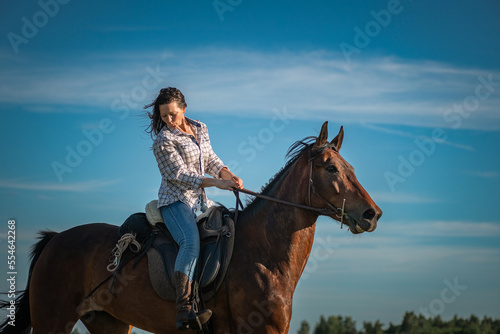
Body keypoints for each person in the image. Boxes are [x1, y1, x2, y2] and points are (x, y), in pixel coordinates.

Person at [144, 87, 243, 331]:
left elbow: (210, 160)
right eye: (164, 116)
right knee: (190, 242)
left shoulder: (199, 128)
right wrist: (216, 183)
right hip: (175, 202)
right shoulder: (163, 141)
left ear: (184, 109)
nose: (169, 120)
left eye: (173, 114)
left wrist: (227, 175)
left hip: (200, 202)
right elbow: (180, 175)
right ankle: (184, 309)